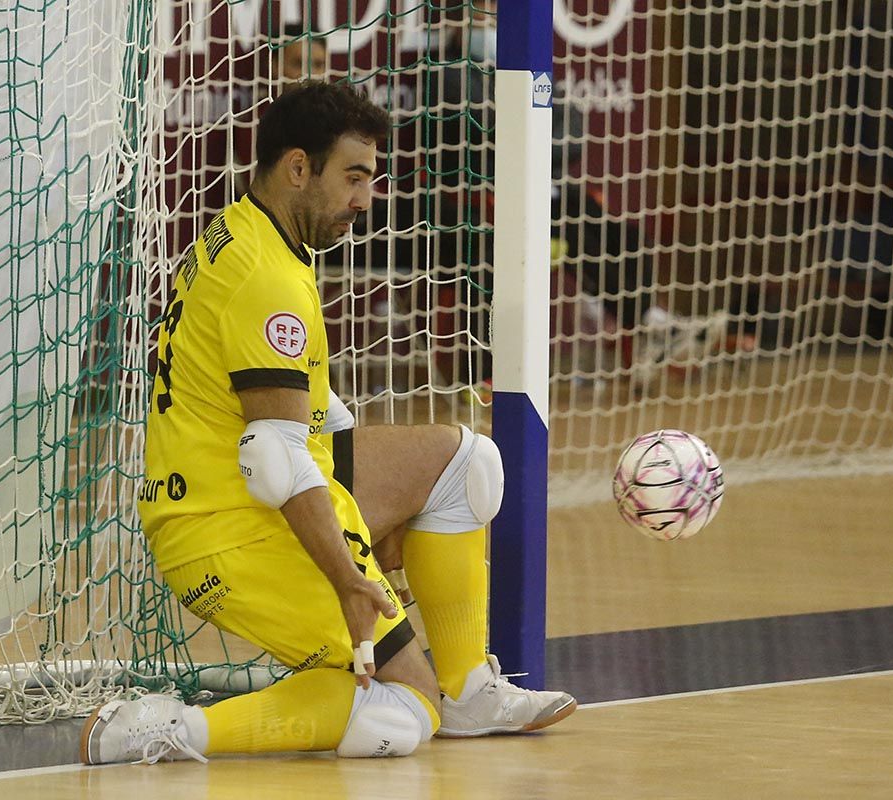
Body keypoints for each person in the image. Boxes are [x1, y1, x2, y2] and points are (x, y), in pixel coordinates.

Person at [80, 81, 576, 765]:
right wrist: (350, 575)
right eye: (353, 177)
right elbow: (275, 459)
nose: (364, 201)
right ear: (297, 167)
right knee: (406, 714)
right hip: (226, 530)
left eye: (370, 179)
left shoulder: (254, 231)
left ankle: (467, 689)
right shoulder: (267, 278)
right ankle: (169, 730)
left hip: (233, 489)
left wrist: (386, 512)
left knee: (465, 463)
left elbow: (308, 417)